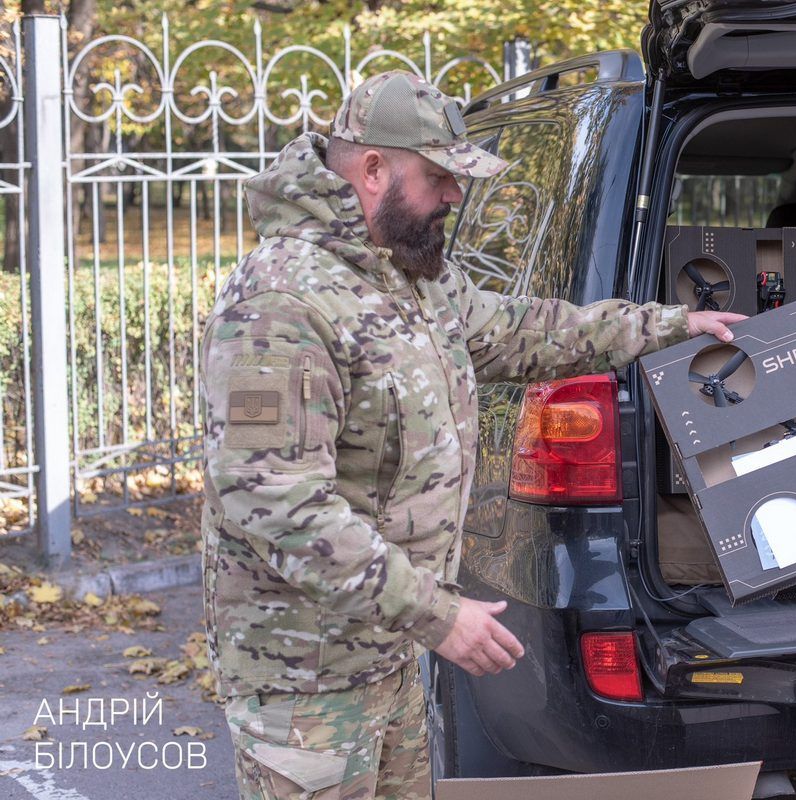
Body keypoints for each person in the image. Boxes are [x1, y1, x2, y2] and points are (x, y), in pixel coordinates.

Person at [199, 70, 743, 800]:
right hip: (307, 680)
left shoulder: (411, 276)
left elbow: (524, 331)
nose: (456, 195)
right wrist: (437, 613)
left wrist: (670, 326)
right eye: (438, 177)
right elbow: (274, 503)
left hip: (385, 654)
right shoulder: (282, 302)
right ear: (371, 170)